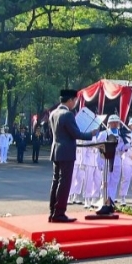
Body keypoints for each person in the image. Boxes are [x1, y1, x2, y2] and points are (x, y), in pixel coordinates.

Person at [48, 89, 95, 223]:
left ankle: (53, 212)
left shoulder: (54, 113)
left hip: (56, 149)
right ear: (70, 100)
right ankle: (59, 213)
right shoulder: (67, 115)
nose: (75, 103)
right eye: (75, 101)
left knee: (56, 181)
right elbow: (77, 134)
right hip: (67, 152)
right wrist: (92, 133)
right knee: (64, 183)